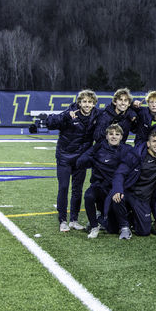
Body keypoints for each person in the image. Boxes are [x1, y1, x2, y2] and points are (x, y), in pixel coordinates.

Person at [46, 89, 99, 232]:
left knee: (77, 189)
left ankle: (74, 220)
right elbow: (49, 122)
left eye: (90, 102)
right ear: (79, 103)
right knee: (63, 187)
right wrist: (64, 118)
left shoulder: (97, 115)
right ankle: (62, 220)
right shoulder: (70, 112)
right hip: (64, 157)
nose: (87, 104)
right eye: (84, 101)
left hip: (81, 159)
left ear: (94, 104)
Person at [109, 130, 156, 238]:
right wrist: (118, 189)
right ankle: (124, 227)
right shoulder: (136, 155)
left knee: (144, 232)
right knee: (118, 198)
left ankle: (131, 217)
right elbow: (119, 173)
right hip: (130, 193)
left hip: (143, 199)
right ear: (148, 144)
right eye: (154, 141)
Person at [76, 124, 131, 238]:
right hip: (100, 186)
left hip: (116, 188)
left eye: (117, 134)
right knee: (89, 196)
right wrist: (91, 155)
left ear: (121, 136)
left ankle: (122, 225)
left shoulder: (127, 149)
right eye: (111, 134)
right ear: (106, 136)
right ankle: (94, 226)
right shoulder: (98, 148)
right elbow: (80, 162)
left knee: (112, 229)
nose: (114, 137)